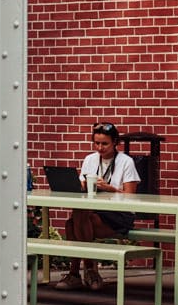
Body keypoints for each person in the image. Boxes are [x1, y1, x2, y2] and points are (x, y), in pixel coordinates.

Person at [60, 121, 140, 291]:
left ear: (115, 143)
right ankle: (89, 272)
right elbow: (82, 185)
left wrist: (111, 189)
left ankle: (77, 273)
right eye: (96, 143)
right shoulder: (90, 159)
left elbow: (131, 196)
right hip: (94, 212)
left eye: (105, 143)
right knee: (77, 218)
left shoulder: (126, 162)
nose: (100, 147)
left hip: (119, 214)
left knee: (72, 225)